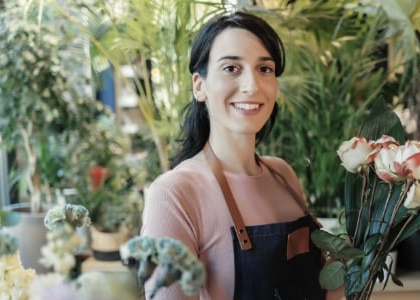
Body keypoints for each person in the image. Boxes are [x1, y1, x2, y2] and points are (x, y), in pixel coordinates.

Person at [141, 11, 340, 300]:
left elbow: (320, 285)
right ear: (200, 86)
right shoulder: (175, 193)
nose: (252, 86)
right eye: (231, 68)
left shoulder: (281, 174)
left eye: (265, 69)